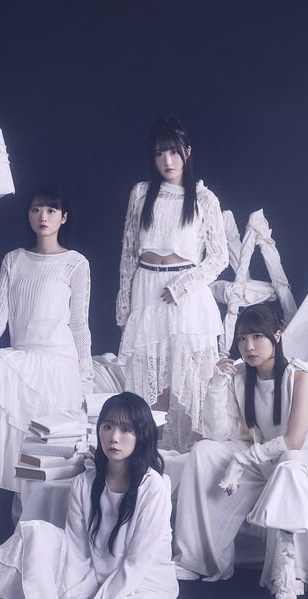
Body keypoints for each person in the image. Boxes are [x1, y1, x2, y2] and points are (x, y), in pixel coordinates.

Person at [0, 392, 216, 599]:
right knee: (36, 533)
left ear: (141, 435)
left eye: (126, 429)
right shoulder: (84, 483)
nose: (114, 437)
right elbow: (77, 554)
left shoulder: (153, 488)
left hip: (139, 589)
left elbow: (134, 567)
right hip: (90, 581)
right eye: (107, 426)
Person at [174, 304, 308, 599]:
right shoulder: (240, 375)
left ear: (277, 336)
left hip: (305, 453)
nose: (248, 346)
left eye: (257, 337)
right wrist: (217, 383)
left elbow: (294, 440)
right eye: (242, 338)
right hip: (263, 452)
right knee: (203, 452)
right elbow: (218, 433)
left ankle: (294, 572)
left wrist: (242, 461)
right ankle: (197, 560)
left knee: (290, 461)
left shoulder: (299, 376)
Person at [0, 187, 92, 493]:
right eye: (36, 210)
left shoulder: (75, 263)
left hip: (57, 363)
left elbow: (79, 324)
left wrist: (85, 378)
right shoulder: (14, 259)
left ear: (63, 218)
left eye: (51, 210)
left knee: (42, 463)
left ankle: (36, 517)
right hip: (22, 358)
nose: (43, 217)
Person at [116, 116, 228, 449]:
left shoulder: (204, 199)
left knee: (191, 381)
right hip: (147, 291)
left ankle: (189, 458)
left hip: (186, 297)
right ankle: (150, 455)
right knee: (152, 381)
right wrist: (124, 308)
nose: (167, 161)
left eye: (174, 152)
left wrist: (182, 286)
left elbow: (219, 257)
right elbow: (128, 253)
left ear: (187, 152)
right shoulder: (140, 194)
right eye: (159, 154)